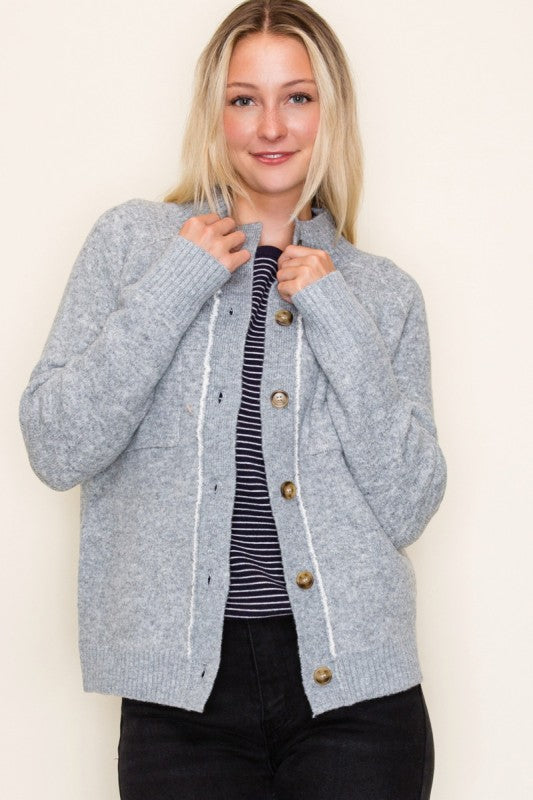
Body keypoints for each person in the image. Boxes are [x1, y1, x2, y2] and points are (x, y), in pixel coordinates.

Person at [19, 0, 447, 797]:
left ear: (330, 111)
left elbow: (410, 502)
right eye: (244, 99)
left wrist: (336, 315)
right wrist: (175, 283)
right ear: (212, 114)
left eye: (297, 97)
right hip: (181, 706)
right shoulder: (133, 246)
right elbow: (56, 445)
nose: (270, 126)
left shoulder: (381, 295)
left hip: (358, 699)